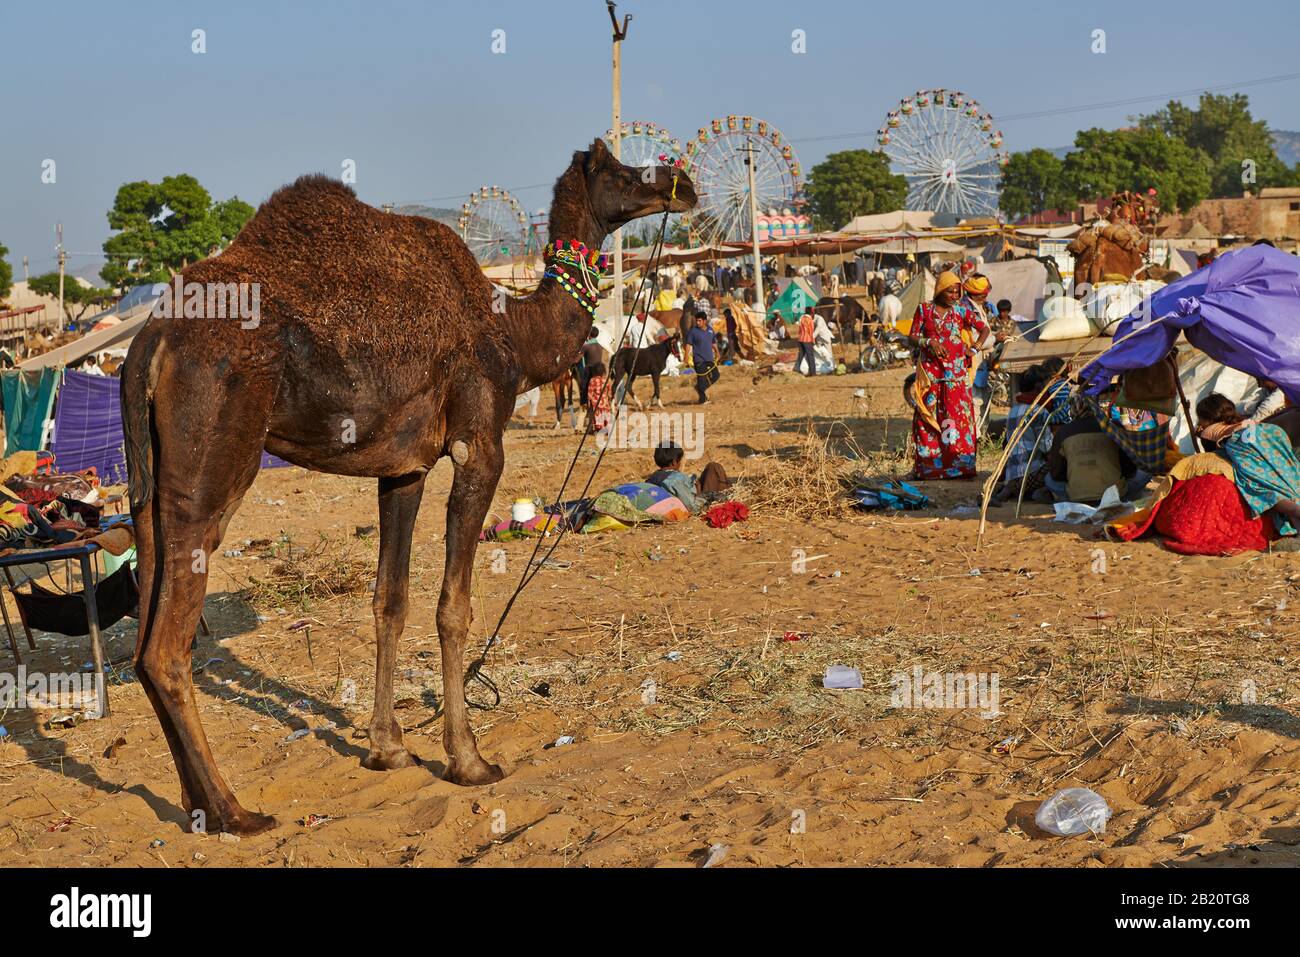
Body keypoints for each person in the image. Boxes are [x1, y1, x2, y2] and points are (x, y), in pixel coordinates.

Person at [907, 271, 990, 479]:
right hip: (931, 374)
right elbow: (913, 336)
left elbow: (984, 329)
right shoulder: (924, 310)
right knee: (927, 418)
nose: (954, 295)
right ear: (940, 291)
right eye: (950, 291)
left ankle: (960, 466)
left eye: (957, 292)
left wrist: (975, 349)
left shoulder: (961, 312)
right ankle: (930, 466)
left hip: (956, 376)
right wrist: (929, 342)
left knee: (956, 419)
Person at [1196, 392, 1300, 537]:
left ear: (1207, 418)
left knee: (1259, 486)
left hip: (1244, 443)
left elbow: (1210, 453)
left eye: (1200, 419)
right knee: (1286, 475)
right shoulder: (1242, 421)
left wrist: (1199, 432)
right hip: (1270, 432)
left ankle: (1295, 511)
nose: (1199, 423)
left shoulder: (1209, 431)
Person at [1046, 400, 1134, 504]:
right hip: (1115, 494)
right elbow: (1129, 467)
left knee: (1048, 479)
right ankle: (1127, 497)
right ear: (1097, 409)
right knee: (1144, 472)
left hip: (1077, 496)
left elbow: (1056, 472)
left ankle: (1070, 500)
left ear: (1072, 411)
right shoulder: (1113, 426)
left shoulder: (1063, 432)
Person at [646, 441, 731, 514]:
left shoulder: (652, 478)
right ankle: (729, 495)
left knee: (711, 468)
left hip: (686, 494)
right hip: (698, 498)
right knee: (714, 468)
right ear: (674, 462)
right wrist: (698, 491)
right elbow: (693, 508)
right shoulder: (676, 480)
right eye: (679, 461)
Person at [685, 310, 719, 404]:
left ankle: (700, 388)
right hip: (699, 360)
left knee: (716, 375)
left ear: (705, 321)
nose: (698, 322)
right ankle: (702, 399)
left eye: (699, 321)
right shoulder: (693, 331)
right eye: (697, 321)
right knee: (702, 379)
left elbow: (713, 342)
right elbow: (688, 344)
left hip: (709, 359)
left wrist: (717, 352)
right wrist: (686, 356)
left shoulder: (710, 330)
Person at [586, 361, 612, 436]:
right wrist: (609, 399)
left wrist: (589, 402)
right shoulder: (606, 380)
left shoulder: (592, 380)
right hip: (605, 403)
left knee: (597, 417)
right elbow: (609, 392)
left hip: (596, 403)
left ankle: (599, 430)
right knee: (606, 416)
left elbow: (590, 393)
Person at [795, 308, 817, 376]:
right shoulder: (810, 319)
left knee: (801, 355)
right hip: (807, 340)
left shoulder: (801, 318)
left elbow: (799, 330)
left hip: (800, 339)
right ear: (811, 312)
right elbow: (811, 331)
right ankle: (812, 372)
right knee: (810, 356)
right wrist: (813, 340)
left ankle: (798, 371)